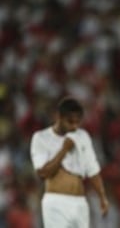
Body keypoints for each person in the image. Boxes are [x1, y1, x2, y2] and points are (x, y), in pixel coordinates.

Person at [30, 97, 109, 228]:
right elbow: (43, 173)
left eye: (78, 122)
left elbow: (92, 169)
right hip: (56, 203)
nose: (74, 126)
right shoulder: (41, 138)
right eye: (70, 122)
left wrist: (102, 197)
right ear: (59, 117)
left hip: (80, 203)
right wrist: (64, 150)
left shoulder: (82, 136)